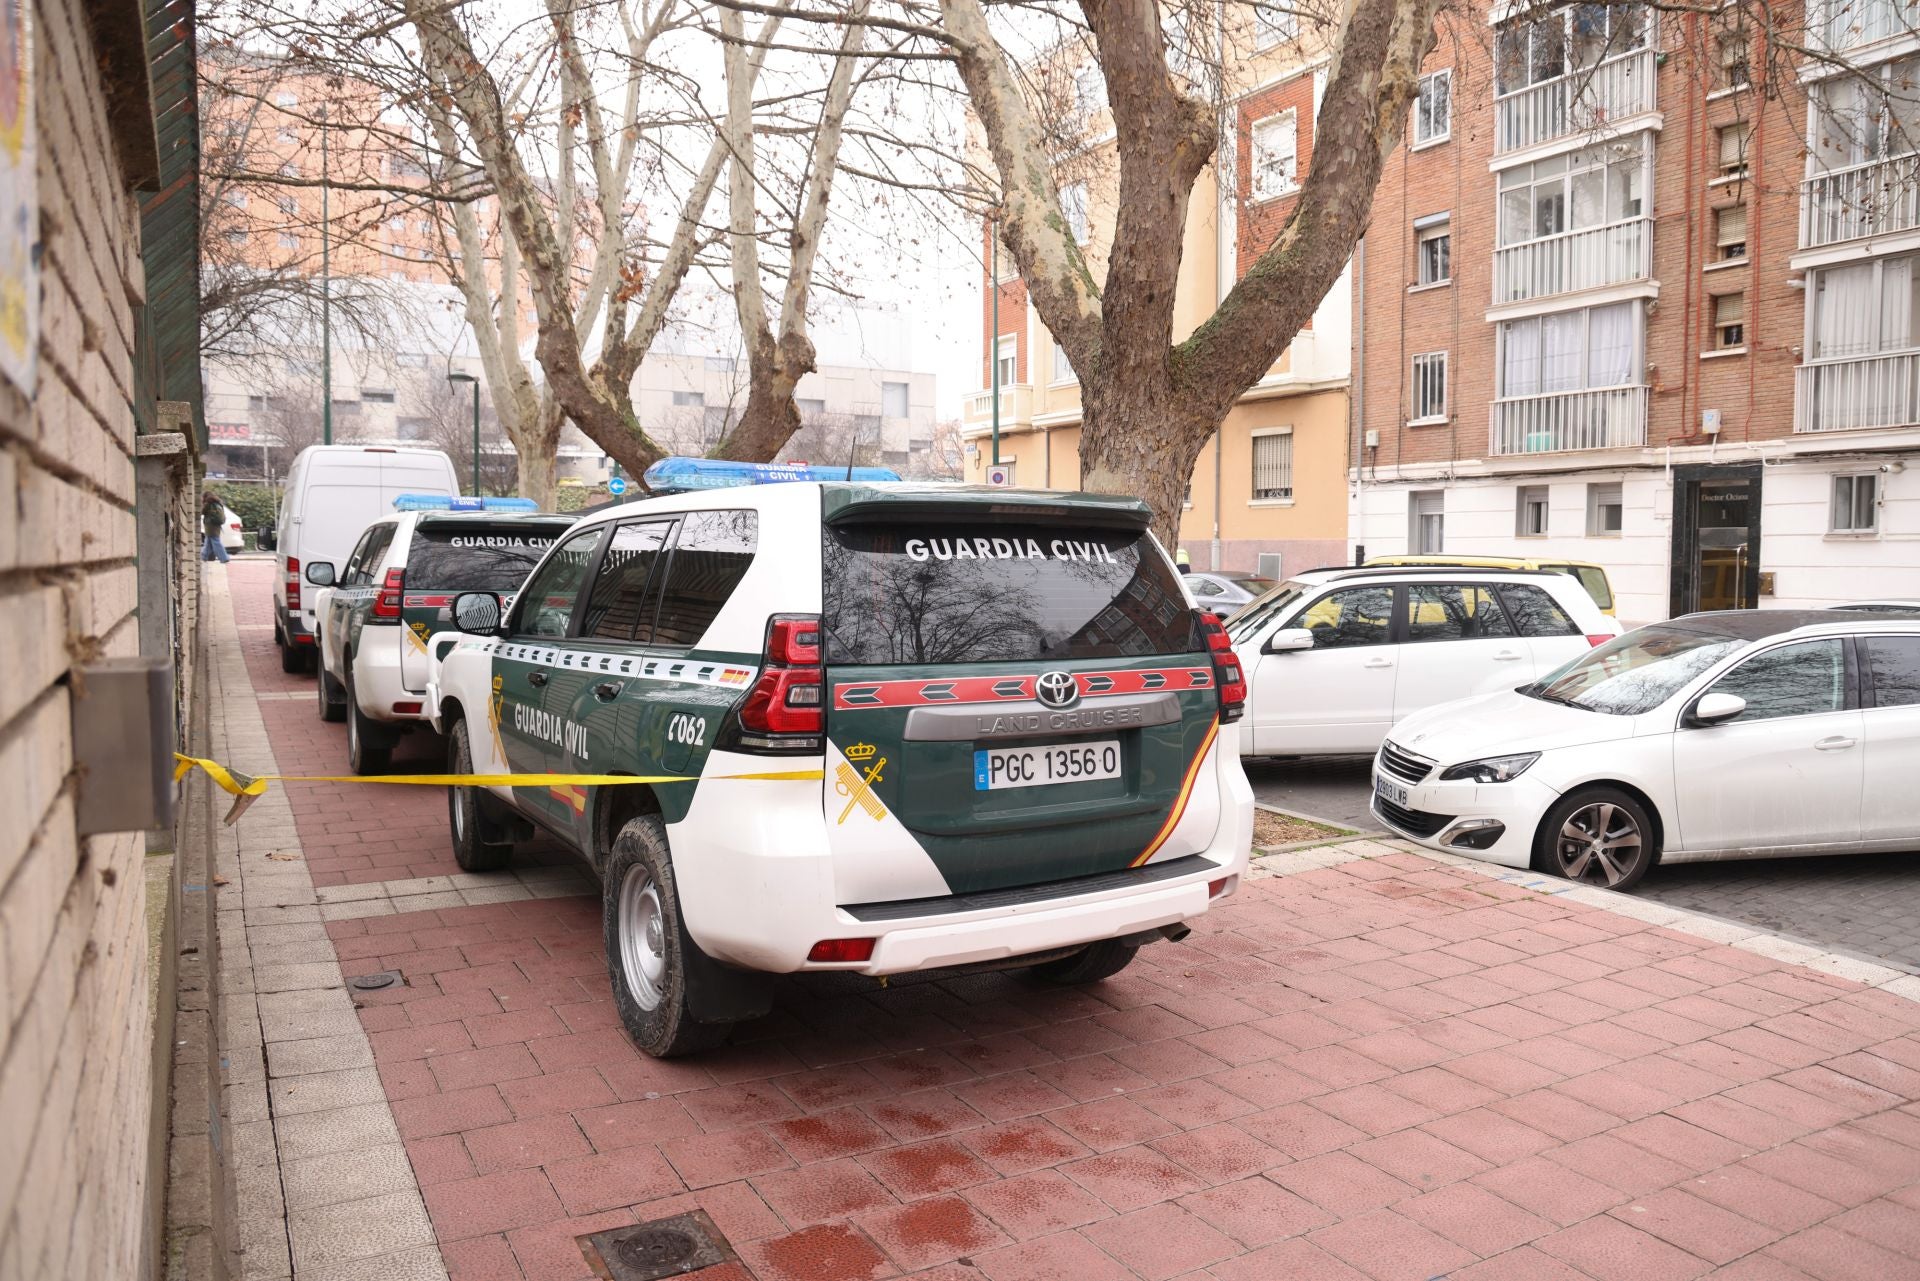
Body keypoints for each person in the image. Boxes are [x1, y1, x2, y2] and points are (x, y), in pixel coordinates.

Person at [201, 493, 230, 564]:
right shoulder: (218, 504)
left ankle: (224, 557)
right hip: (216, 525)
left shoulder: (208, 504)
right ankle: (204, 557)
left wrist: (202, 504)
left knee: (215, 541)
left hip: (210, 525)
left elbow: (202, 511)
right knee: (208, 542)